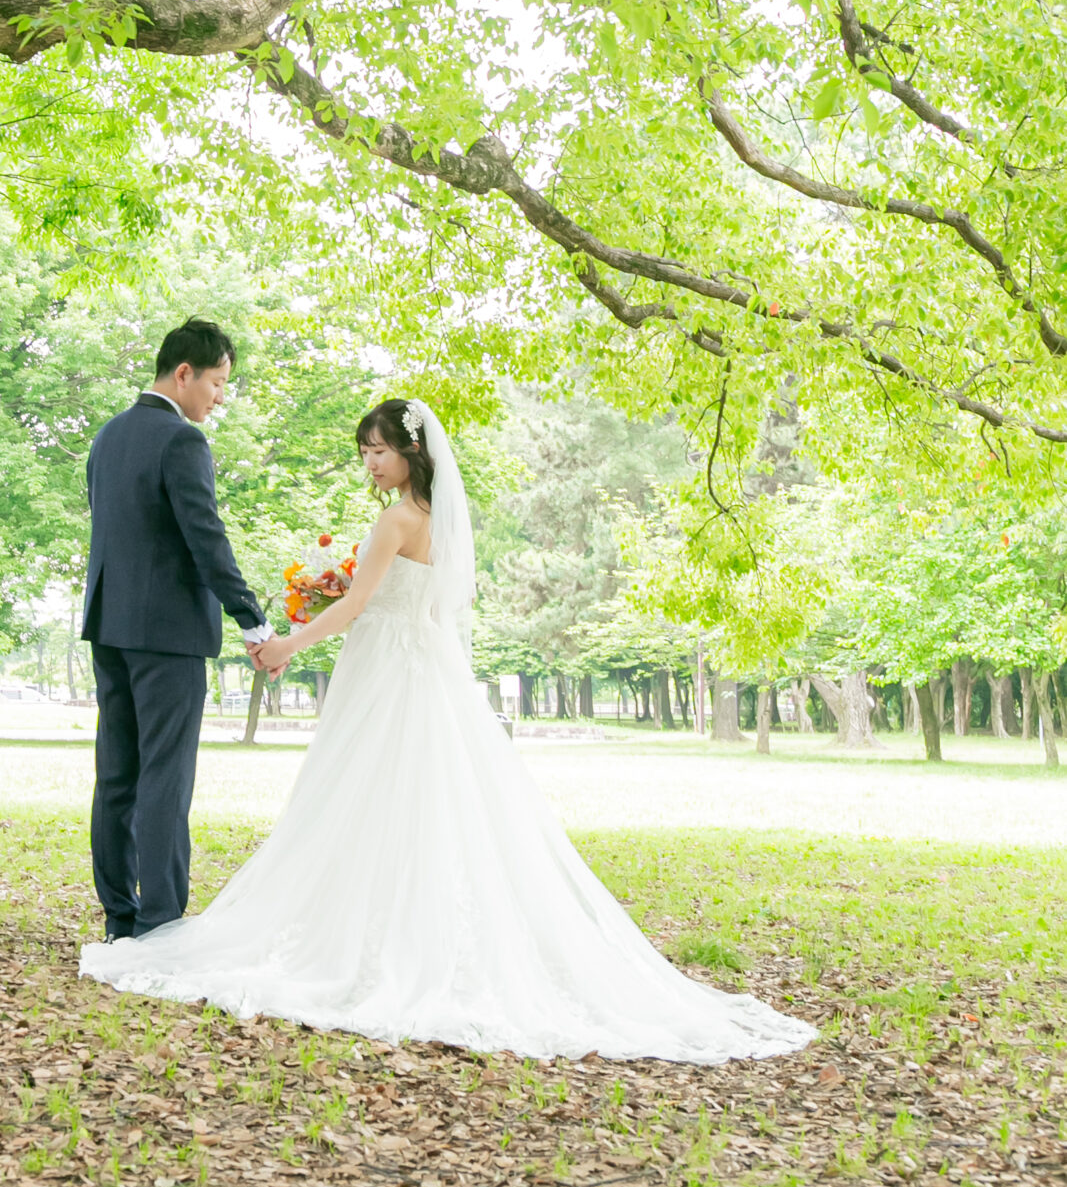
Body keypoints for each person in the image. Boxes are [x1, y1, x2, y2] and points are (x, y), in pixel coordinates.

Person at [81, 396, 816, 1065]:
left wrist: (286, 645)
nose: (370, 464)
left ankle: (370, 939)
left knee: (367, 793)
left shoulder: (396, 520)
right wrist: (340, 593)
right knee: (420, 799)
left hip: (385, 671)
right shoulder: (439, 520)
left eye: (378, 451)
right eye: (363, 452)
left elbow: (359, 605)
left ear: (412, 452)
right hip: (425, 668)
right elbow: (412, 600)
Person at [81, 319, 273, 943]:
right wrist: (252, 618)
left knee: (117, 776)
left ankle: (119, 919)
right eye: (216, 382)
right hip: (168, 635)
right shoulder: (182, 441)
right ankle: (159, 921)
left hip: (109, 627)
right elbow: (205, 538)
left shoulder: (108, 436)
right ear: (183, 373)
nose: (219, 397)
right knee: (165, 775)